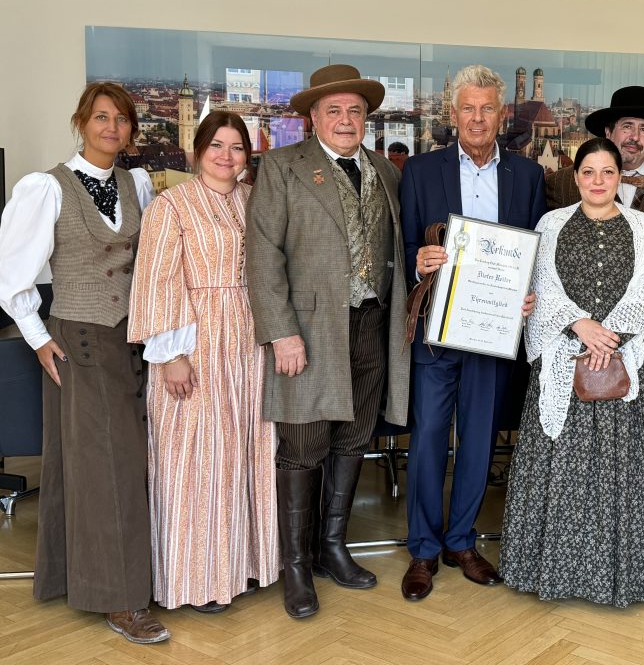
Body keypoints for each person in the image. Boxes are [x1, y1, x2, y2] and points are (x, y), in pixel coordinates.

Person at [0, 82, 168, 643]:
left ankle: (72, 576)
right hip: (81, 337)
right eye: (101, 117)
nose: (111, 128)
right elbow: (12, 278)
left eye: (121, 120)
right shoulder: (46, 188)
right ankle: (121, 600)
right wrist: (38, 337)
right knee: (110, 469)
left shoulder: (135, 183)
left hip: (132, 340)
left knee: (92, 465)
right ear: (81, 122)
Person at [246, 65, 409, 619]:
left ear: (367, 118)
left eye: (355, 111)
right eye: (334, 111)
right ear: (313, 118)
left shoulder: (387, 172)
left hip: (370, 324)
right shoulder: (282, 168)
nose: (345, 120)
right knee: (302, 444)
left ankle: (331, 548)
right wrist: (281, 332)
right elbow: (263, 255)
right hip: (308, 331)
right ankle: (296, 565)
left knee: (353, 434)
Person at [500, 137, 644, 606]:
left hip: (623, 361)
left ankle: (629, 573)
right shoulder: (551, 223)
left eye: (608, 172)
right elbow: (541, 286)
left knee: (623, 467)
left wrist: (612, 338)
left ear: (620, 176)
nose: (599, 181)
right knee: (561, 465)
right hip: (563, 355)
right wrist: (580, 326)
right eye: (589, 172)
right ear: (575, 176)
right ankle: (553, 570)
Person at [399, 64, 546, 601]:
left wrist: (529, 293)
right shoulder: (420, 170)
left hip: (493, 331)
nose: (478, 118)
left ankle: (462, 541)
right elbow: (403, 249)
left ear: (501, 114)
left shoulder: (527, 177)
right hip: (437, 330)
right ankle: (423, 548)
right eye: (468, 108)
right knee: (431, 439)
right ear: (452, 113)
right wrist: (420, 260)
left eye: (488, 108)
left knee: (479, 441)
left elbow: (535, 252)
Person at [127, 110, 278, 613]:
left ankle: (241, 566)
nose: (226, 156)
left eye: (237, 148)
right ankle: (196, 579)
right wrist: (172, 354)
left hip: (248, 342)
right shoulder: (171, 206)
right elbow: (156, 281)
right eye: (217, 145)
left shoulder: (253, 200)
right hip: (195, 345)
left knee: (242, 452)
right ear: (198, 149)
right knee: (193, 460)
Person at [546, 86, 644, 388]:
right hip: (575, 327)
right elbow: (544, 254)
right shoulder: (562, 183)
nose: (635, 136)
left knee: (640, 410)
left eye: (643, 129)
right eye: (627, 126)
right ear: (609, 131)